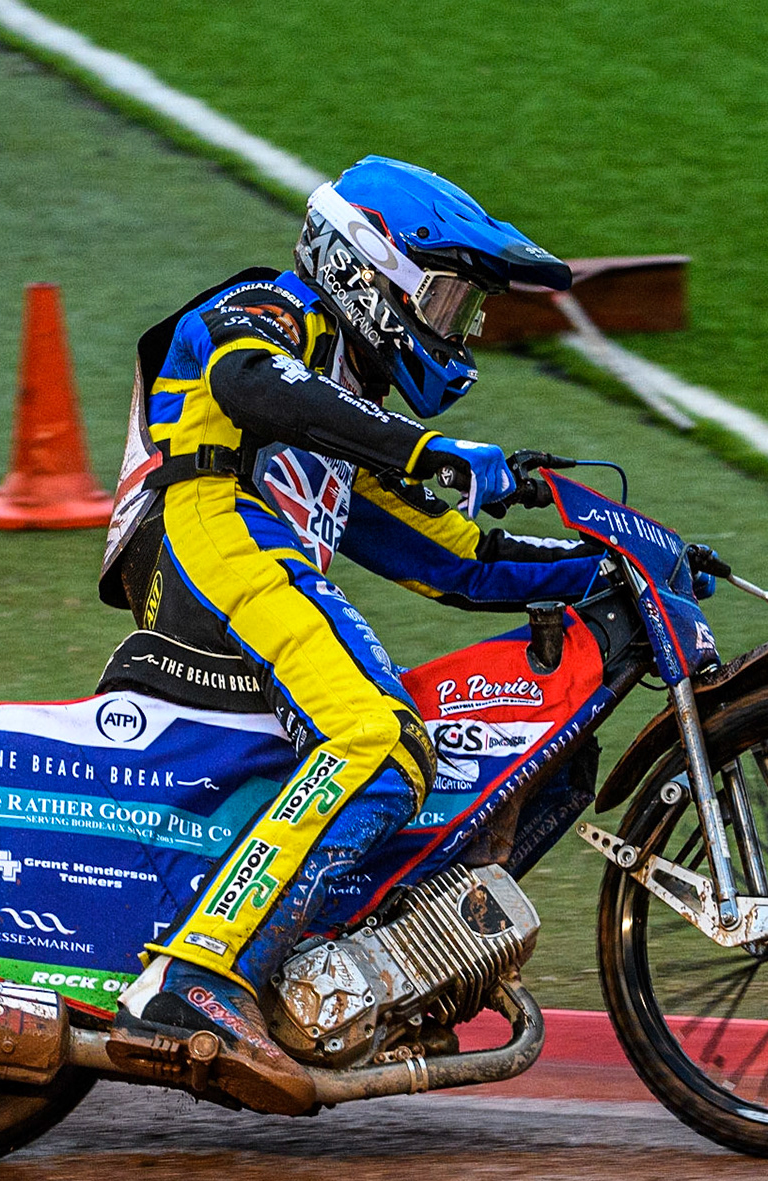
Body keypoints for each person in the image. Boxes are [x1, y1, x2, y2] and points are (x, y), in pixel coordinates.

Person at [98, 156, 607, 1112]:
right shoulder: (267, 309)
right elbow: (257, 386)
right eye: (448, 300)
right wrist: (430, 451)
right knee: (379, 737)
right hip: (207, 529)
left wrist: (612, 566)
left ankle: (322, 961)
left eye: (468, 312)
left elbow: (460, 559)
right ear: (367, 269)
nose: (458, 330)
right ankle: (197, 979)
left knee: (418, 743)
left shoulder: (347, 419)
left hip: (251, 564)